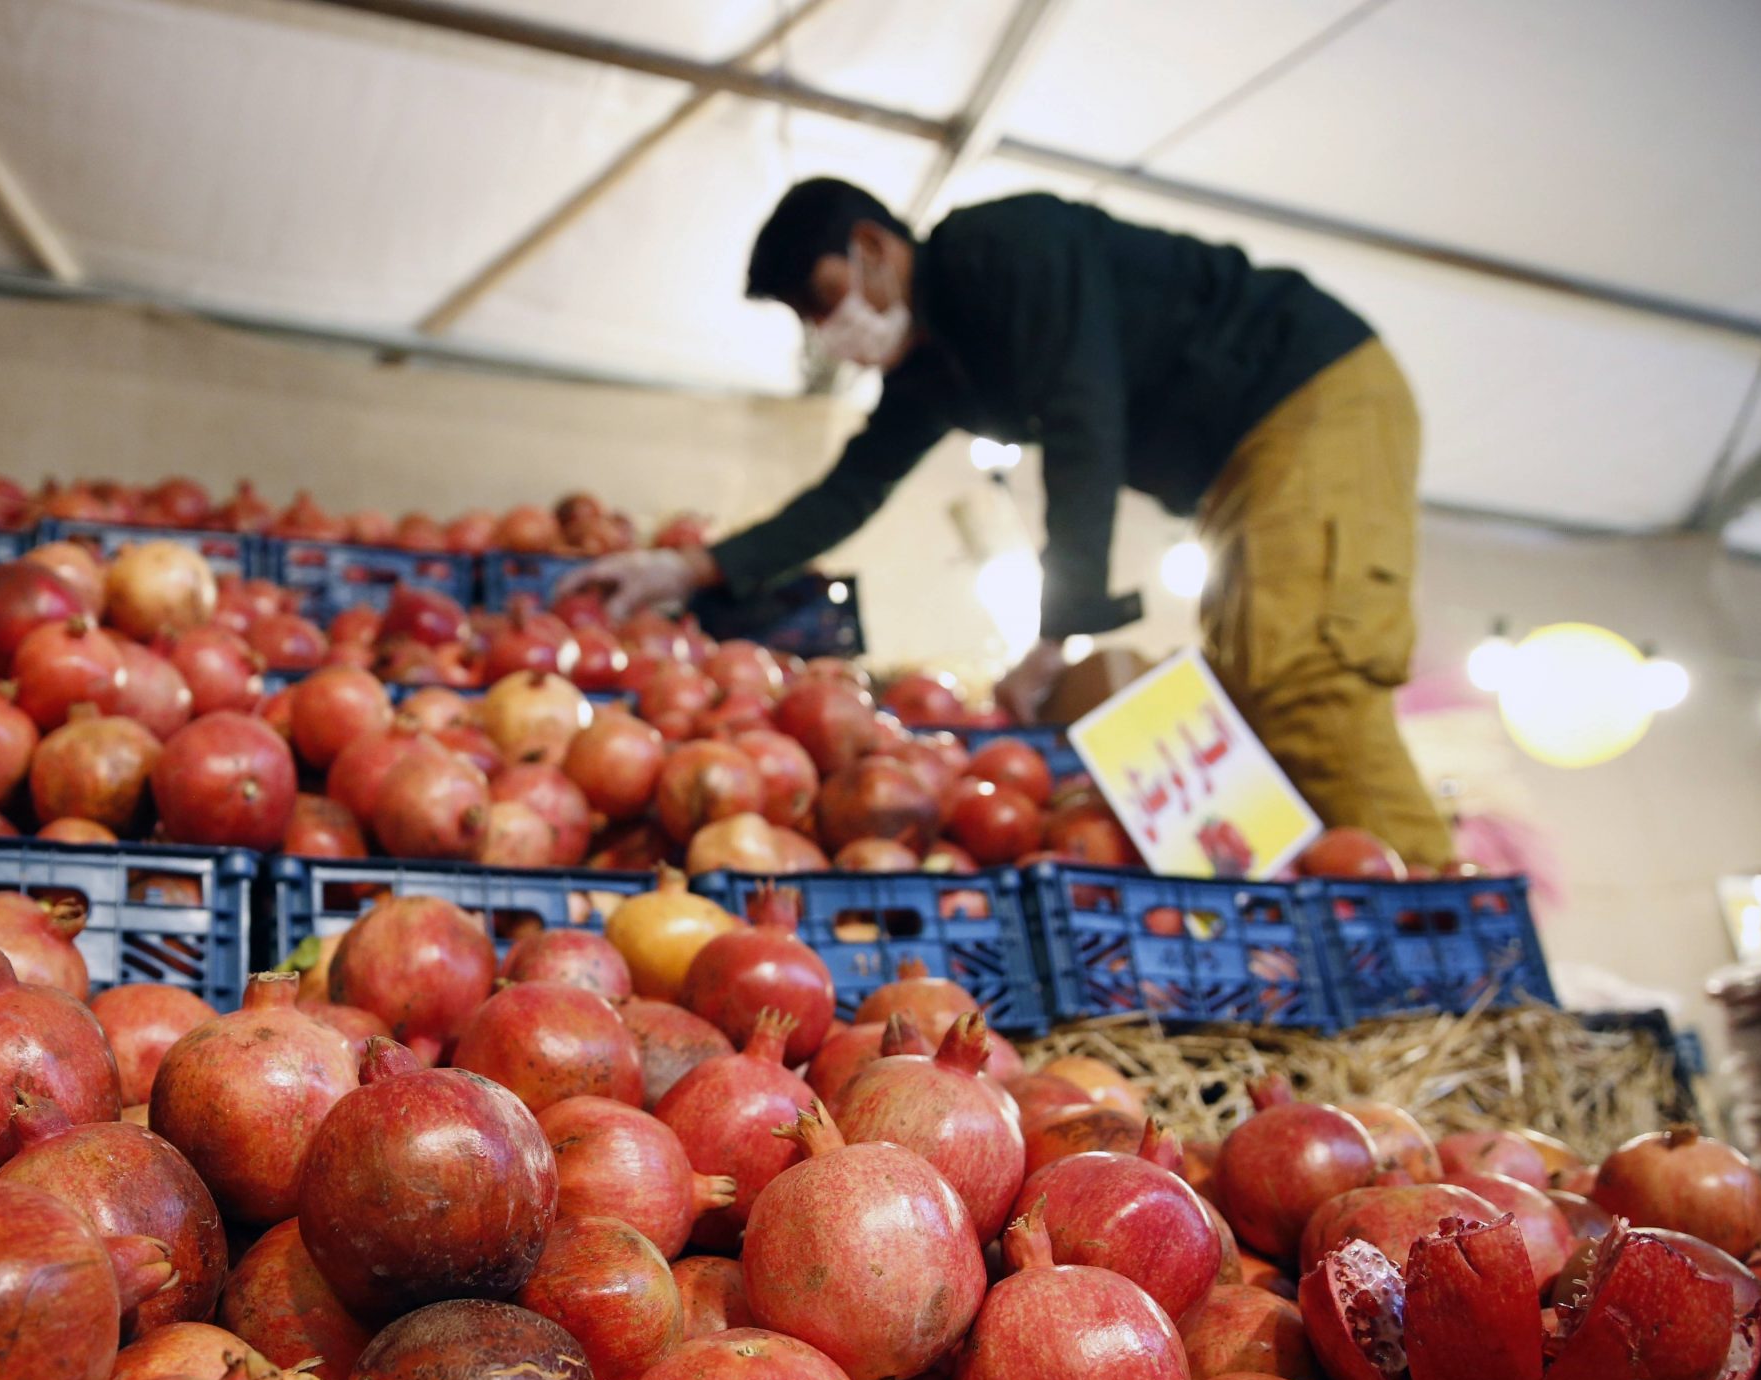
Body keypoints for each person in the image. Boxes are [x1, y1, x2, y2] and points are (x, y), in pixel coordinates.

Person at [558, 181, 1455, 868]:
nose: (827, 332)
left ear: (873, 248)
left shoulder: (1006, 249)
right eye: (807, 320)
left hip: (1310, 395)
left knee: (1306, 675)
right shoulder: (934, 368)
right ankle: (1364, 896)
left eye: (821, 299)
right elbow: (852, 489)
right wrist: (687, 570)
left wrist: (1056, 632)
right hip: (1241, 467)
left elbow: (1084, 422)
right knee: (1258, 686)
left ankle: (1443, 918)